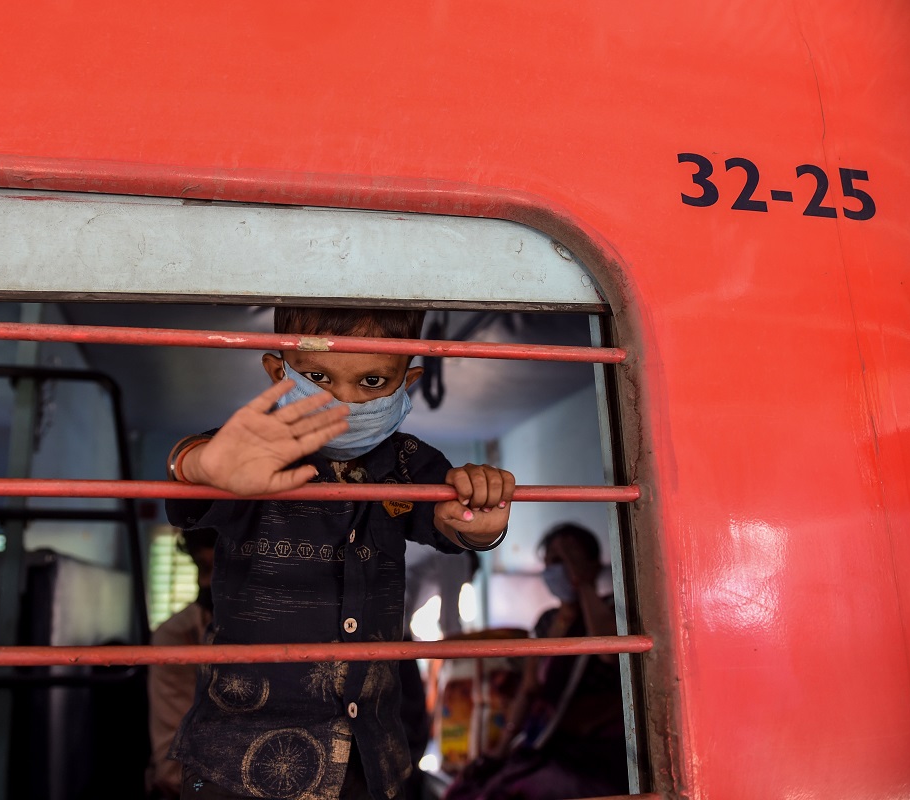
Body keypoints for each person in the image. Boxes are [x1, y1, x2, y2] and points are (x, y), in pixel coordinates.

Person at [164, 307, 516, 800]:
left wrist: (481, 526)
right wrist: (196, 462)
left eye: (373, 380)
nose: (344, 399)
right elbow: (197, 474)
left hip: (369, 758)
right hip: (238, 759)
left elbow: (449, 524)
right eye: (317, 377)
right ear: (277, 372)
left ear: (406, 381)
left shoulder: (410, 463)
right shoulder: (252, 453)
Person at [444, 523, 627, 800]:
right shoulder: (546, 622)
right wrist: (501, 749)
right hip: (547, 741)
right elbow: (529, 689)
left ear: (590, 564)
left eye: (567, 559)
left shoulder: (613, 611)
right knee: (469, 788)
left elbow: (610, 651)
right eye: (552, 561)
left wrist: (584, 583)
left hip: (592, 748)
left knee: (517, 791)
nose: (559, 569)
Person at [149, 527, 218, 799]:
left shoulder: (283, 634)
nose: (210, 582)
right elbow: (173, 769)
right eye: (204, 569)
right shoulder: (179, 635)